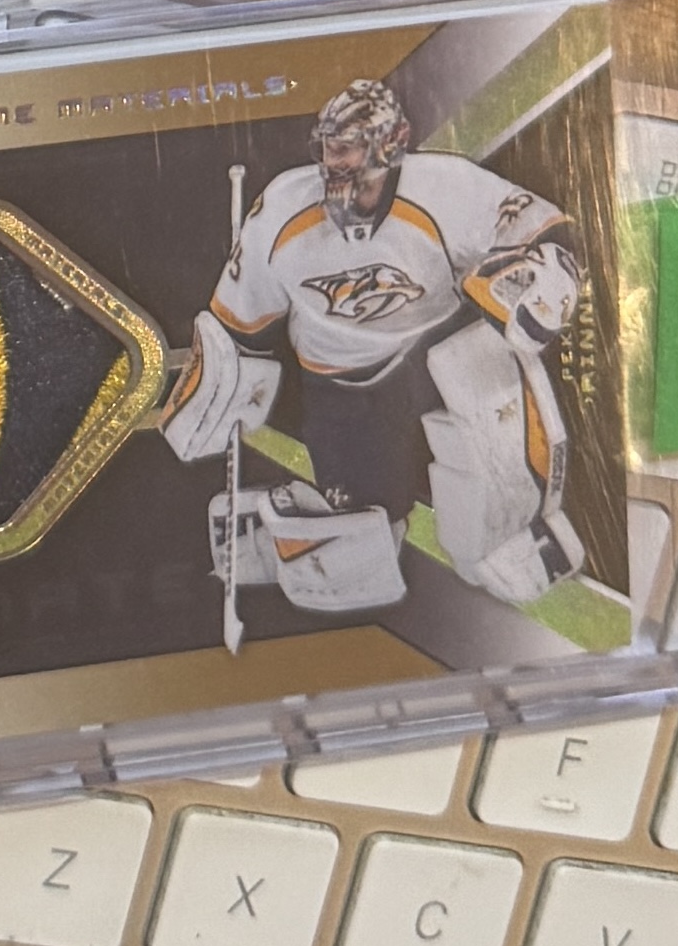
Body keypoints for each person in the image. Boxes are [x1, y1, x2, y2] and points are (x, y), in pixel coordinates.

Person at [156, 79, 589, 615]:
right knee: (354, 546)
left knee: (495, 468)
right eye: (331, 148)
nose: (337, 166)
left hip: (438, 350)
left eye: (352, 149)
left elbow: (544, 229)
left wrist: (546, 269)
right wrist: (213, 394)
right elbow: (236, 325)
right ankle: (282, 529)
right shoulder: (282, 209)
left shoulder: (444, 186)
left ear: (393, 143)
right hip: (340, 384)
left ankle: (514, 539)